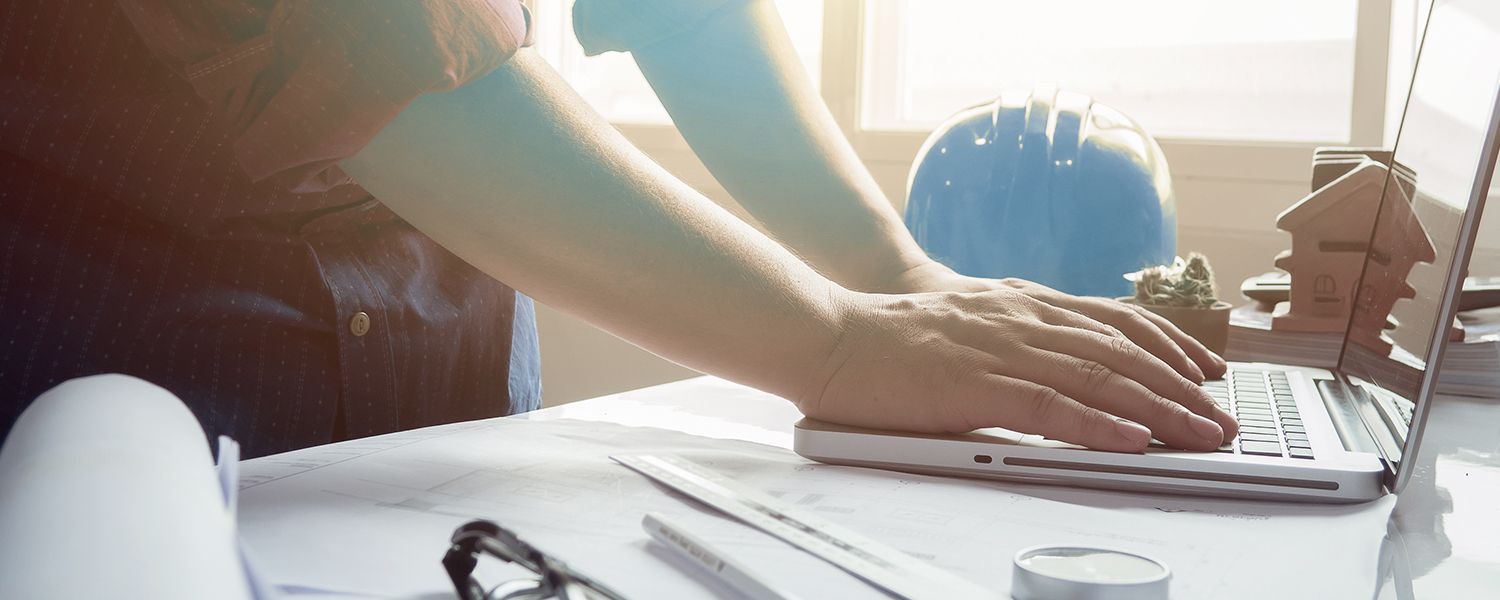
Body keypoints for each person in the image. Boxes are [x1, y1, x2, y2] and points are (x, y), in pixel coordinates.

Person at [0, 0, 1235, 458]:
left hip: (451, 375)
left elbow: (682, 11)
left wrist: (891, 275)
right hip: (136, 376)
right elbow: (365, 47)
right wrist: (839, 342)